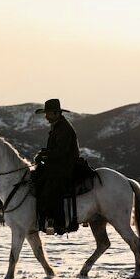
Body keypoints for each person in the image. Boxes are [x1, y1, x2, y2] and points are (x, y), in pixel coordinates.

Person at [33, 98, 80, 233]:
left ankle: (58, 222)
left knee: (52, 185)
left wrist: (44, 155)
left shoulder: (64, 129)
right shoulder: (57, 127)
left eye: (48, 114)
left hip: (66, 165)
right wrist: (43, 153)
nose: (46, 117)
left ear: (56, 113)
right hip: (58, 163)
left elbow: (61, 152)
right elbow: (54, 149)